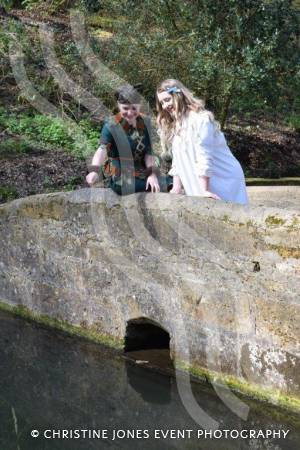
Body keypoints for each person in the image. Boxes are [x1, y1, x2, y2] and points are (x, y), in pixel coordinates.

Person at [156, 79, 248, 204]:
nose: (165, 106)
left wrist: (204, 190)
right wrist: (176, 188)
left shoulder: (201, 119)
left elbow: (204, 155)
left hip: (223, 179)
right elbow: (178, 160)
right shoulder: (177, 125)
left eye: (167, 100)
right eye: (161, 102)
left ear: (178, 95)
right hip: (202, 182)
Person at [86, 84, 170, 195]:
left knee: (169, 182)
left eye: (134, 108)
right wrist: (94, 170)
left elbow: (148, 152)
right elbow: (102, 149)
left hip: (142, 169)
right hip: (121, 174)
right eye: (125, 108)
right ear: (118, 106)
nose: (130, 113)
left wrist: (152, 174)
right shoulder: (111, 125)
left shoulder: (145, 122)